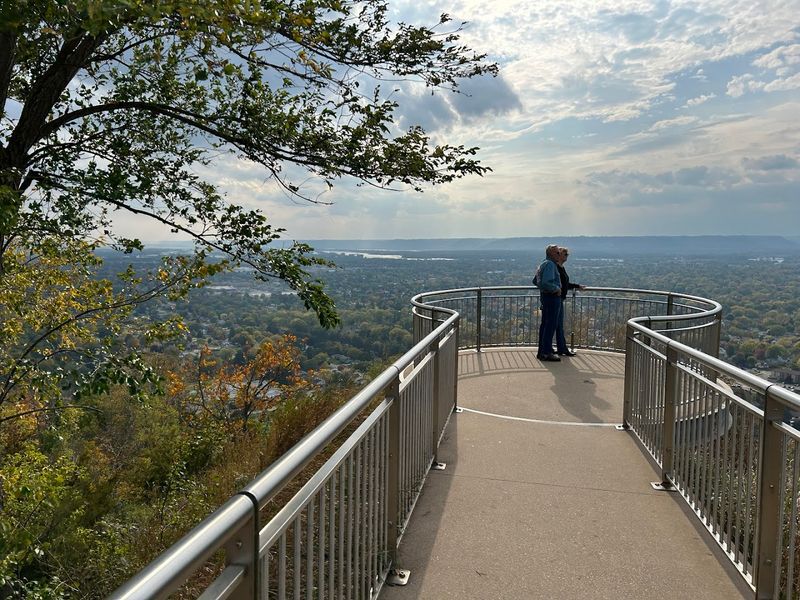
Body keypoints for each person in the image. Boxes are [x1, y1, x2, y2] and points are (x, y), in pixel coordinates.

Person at [555, 246, 585, 356]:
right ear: (559, 255)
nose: (567, 256)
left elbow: (565, 284)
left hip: (559, 299)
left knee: (558, 326)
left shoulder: (561, 268)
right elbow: (561, 284)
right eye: (565, 254)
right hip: (556, 299)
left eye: (567, 254)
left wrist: (577, 286)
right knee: (557, 325)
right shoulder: (557, 268)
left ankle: (561, 348)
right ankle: (562, 349)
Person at [534, 244, 562, 362]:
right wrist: (556, 289)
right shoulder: (550, 264)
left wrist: (543, 290)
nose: (559, 254)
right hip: (551, 298)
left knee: (545, 325)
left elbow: (536, 281)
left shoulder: (543, 264)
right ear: (551, 253)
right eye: (557, 252)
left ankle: (543, 351)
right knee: (550, 325)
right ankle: (547, 352)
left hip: (545, 297)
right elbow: (546, 282)